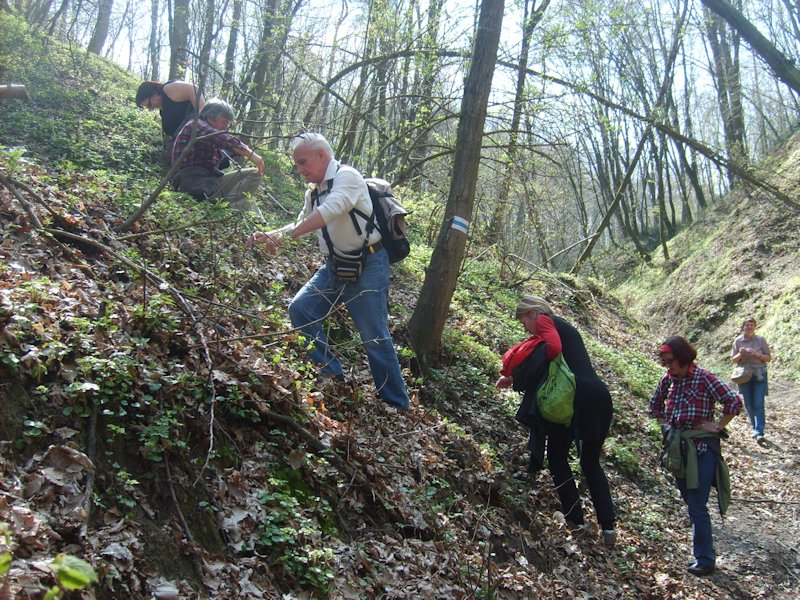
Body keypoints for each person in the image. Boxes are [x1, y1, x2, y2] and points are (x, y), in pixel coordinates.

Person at [246, 132, 410, 411]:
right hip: (334, 266)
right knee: (301, 309)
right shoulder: (314, 190)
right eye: (297, 164)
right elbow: (302, 221)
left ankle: (396, 402)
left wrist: (283, 237)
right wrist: (273, 235)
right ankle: (332, 375)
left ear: (322, 156)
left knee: (374, 335)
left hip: (368, 264)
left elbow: (332, 210)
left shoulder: (348, 177)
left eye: (303, 162)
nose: (299, 170)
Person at [496, 296, 616, 547]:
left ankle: (575, 520)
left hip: (575, 399)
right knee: (591, 463)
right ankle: (608, 529)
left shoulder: (545, 321)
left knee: (558, 457)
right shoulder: (566, 326)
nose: (526, 328)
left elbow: (552, 350)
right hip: (599, 396)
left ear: (531, 313)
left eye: (523, 322)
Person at [651, 336, 742, 577]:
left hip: (702, 450)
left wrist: (718, 425)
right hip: (678, 452)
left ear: (682, 358)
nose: (667, 366)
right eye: (664, 362)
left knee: (697, 504)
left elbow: (733, 401)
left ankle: (705, 559)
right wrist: (666, 426)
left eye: (670, 361)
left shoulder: (704, 378)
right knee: (690, 502)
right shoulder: (668, 380)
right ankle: (702, 553)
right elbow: (655, 405)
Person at [170, 99, 265, 218]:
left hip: (210, 182)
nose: (226, 127)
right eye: (224, 122)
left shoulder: (207, 135)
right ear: (210, 117)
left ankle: (258, 222)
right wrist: (252, 155)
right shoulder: (196, 125)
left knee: (253, 174)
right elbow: (222, 138)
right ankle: (231, 213)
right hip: (192, 182)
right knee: (246, 187)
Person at [136, 80, 206, 165]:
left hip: (198, 135)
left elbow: (194, 89)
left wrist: (203, 117)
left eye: (150, 104)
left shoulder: (168, 90)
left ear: (154, 93)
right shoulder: (163, 111)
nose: (151, 108)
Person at [730, 316, 771, 444]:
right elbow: (733, 360)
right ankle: (754, 427)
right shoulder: (738, 341)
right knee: (748, 403)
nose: (749, 327)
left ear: (755, 327)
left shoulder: (761, 340)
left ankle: (759, 432)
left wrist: (756, 354)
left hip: (759, 374)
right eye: (747, 325)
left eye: (751, 325)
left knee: (758, 402)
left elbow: (768, 357)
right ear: (743, 327)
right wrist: (740, 354)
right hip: (744, 375)